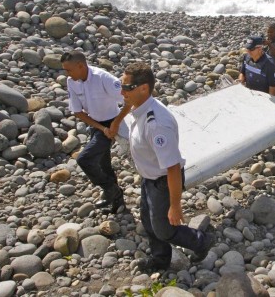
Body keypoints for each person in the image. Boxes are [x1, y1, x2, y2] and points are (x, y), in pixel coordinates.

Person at [121, 62, 214, 272]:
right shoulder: (141, 107)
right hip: (150, 177)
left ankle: (201, 241)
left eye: (126, 87)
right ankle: (160, 259)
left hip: (163, 181)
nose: (122, 92)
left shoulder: (157, 124)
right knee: (147, 218)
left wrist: (175, 205)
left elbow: (172, 168)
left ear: (143, 88)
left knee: (164, 229)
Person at [61, 51, 128, 213]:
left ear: (81, 66)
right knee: (103, 164)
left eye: (69, 70)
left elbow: (129, 100)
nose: (66, 74)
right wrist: (101, 128)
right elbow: (77, 111)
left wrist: (114, 125)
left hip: (114, 121)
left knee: (84, 159)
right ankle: (117, 201)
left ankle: (111, 190)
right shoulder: (72, 81)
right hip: (97, 125)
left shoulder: (103, 78)